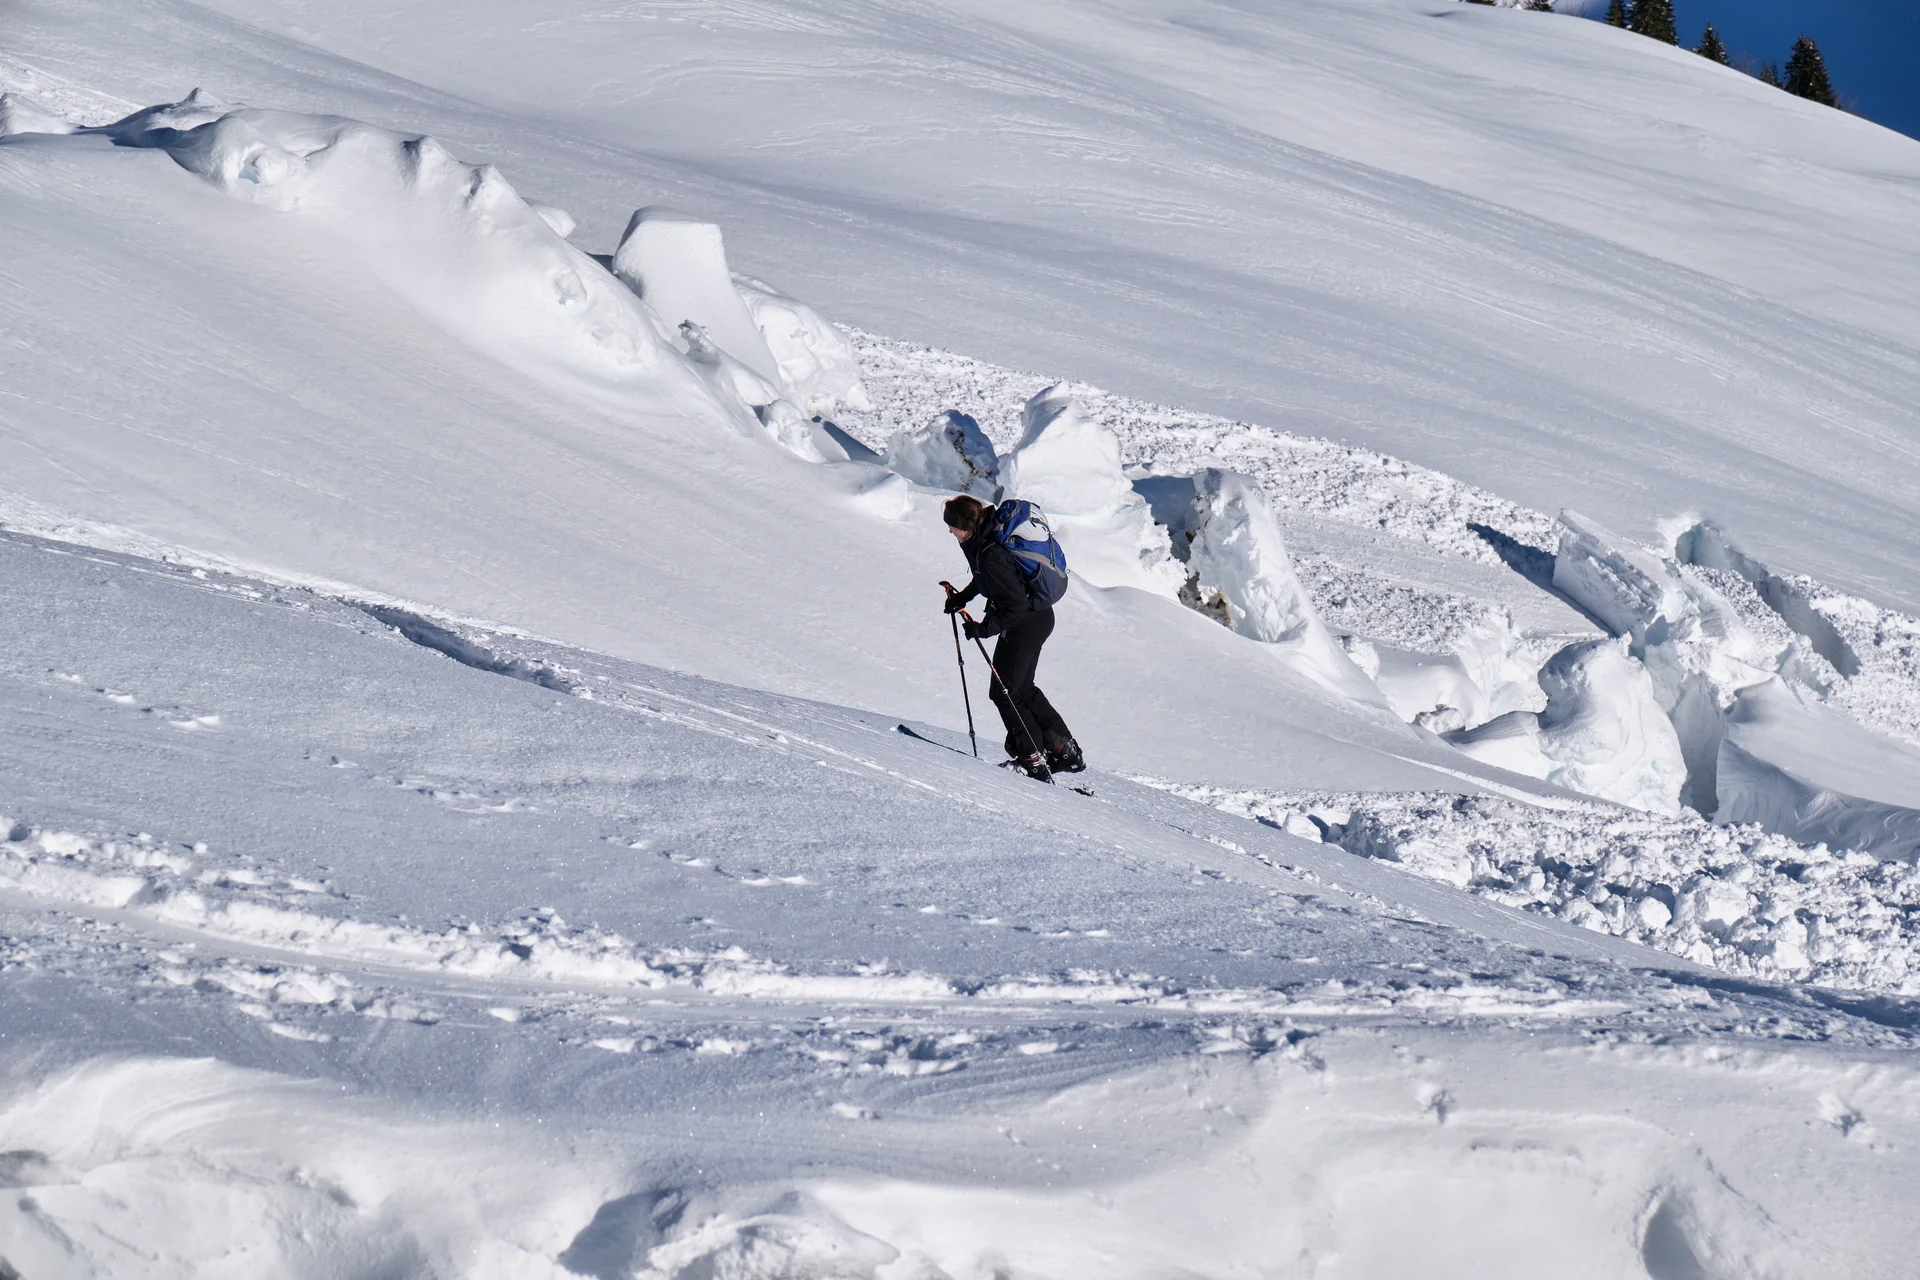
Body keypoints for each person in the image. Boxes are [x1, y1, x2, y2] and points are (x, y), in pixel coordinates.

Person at [941, 495, 1085, 778]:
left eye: (952, 526)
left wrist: (983, 629)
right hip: (1038, 618)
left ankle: (1032, 759)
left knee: (1005, 693)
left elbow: (1015, 603)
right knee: (1021, 690)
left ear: (966, 526)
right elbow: (989, 579)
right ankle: (1063, 752)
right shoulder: (986, 541)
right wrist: (963, 598)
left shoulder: (989, 551)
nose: (950, 531)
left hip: (1025, 622)